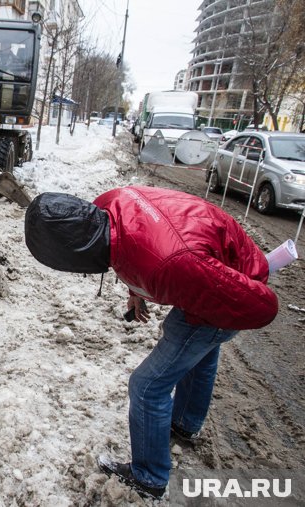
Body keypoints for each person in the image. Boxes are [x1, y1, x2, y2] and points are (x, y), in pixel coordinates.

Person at [24, 186, 278, 499]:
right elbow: (130, 247)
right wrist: (136, 291)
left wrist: (210, 314)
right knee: (199, 354)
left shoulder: (174, 264)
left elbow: (260, 305)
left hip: (233, 285)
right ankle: (185, 422)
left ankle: (149, 476)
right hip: (211, 257)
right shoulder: (110, 204)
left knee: (147, 386)